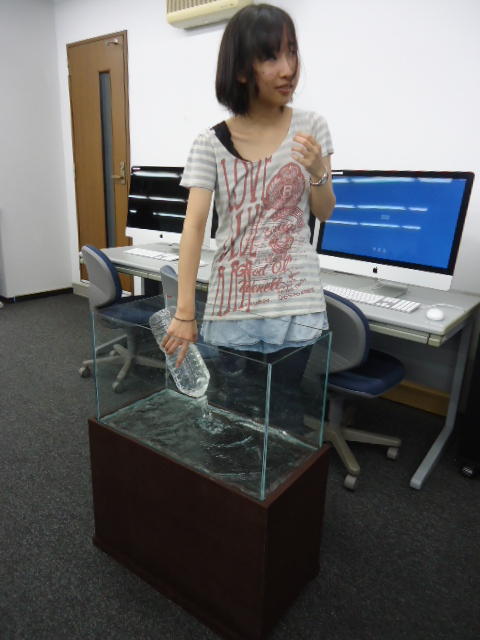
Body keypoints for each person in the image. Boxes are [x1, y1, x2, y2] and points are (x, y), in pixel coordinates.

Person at [162, 3, 335, 426]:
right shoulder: (210, 143)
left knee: (286, 410)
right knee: (235, 411)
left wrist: (318, 172)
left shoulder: (312, 127)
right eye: (271, 57)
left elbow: (324, 211)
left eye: (291, 52)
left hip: (295, 301)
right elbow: (194, 227)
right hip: (235, 303)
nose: (288, 69)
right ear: (242, 69)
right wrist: (185, 312)